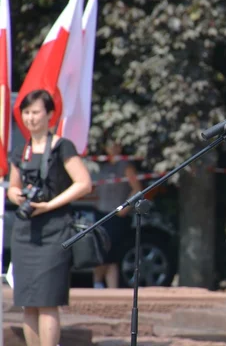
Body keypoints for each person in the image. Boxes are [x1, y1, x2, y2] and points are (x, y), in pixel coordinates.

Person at [7, 89, 92, 346]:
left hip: (55, 231)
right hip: (25, 232)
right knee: (28, 303)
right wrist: (17, 196)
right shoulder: (21, 151)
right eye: (26, 113)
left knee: (47, 302)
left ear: (50, 115)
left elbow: (84, 183)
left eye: (36, 112)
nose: (31, 118)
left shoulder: (62, 147)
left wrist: (50, 204)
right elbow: (12, 186)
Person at [92, 136, 142, 289]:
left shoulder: (126, 166)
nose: (113, 148)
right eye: (109, 145)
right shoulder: (102, 166)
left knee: (112, 254)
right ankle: (97, 285)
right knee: (99, 252)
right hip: (101, 213)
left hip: (118, 216)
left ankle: (111, 290)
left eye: (116, 145)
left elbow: (137, 188)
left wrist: (125, 208)